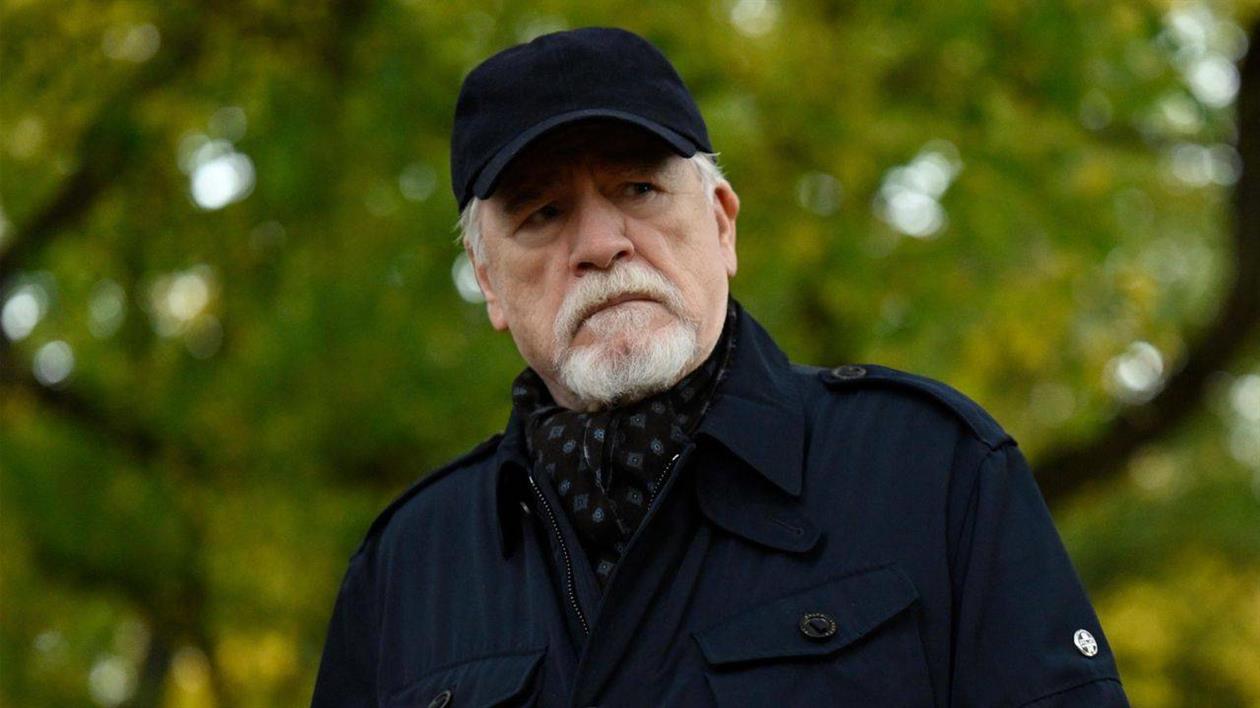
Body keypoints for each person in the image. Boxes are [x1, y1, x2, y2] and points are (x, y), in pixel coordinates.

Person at [312, 27, 1128, 707]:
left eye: (638, 188)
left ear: (723, 223)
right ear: (489, 282)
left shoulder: (932, 470)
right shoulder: (407, 570)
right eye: (543, 212)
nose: (600, 244)